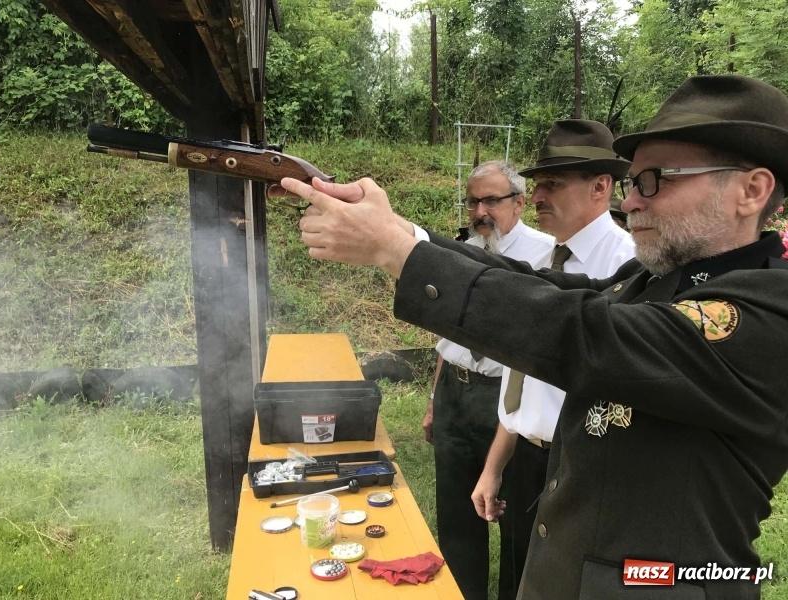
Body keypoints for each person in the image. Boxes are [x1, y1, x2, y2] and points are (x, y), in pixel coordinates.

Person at [279, 74, 788, 599]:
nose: (632, 201)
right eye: (634, 181)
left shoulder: (763, 314)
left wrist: (395, 253)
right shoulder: (660, 281)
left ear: (751, 191)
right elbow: (540, 285)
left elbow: (578, 329)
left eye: (655, 180)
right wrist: (404, 234)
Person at [470, 120, 635, 599]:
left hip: (585, 468)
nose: (536, 196)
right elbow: (522, 382)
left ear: (601, 187)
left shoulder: (628, 270)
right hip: (526, 459)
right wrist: (495, 466)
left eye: (552, 184)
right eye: (537, 183)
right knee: (520, 578)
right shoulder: (543, 265)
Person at [424, 160, 553, 600]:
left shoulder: (546, 254)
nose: (480, 210)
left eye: (491, 200)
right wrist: (432, 402)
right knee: (456, 512)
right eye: (473, 200)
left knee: (516, 515)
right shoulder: (460, 250)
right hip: (455, 392)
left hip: (509, 400)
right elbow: (448, 337)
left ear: (519, 203)